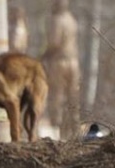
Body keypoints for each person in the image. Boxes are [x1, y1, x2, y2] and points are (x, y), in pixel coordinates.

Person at [42, 0, 80, 140]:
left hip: (59, 61)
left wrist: (44, 55)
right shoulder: (71, 19)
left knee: (56, 95)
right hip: (73, 61)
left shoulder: (56, 20)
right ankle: (74, 129)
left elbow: (54, 42)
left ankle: (56, 131)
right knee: (73, 96)